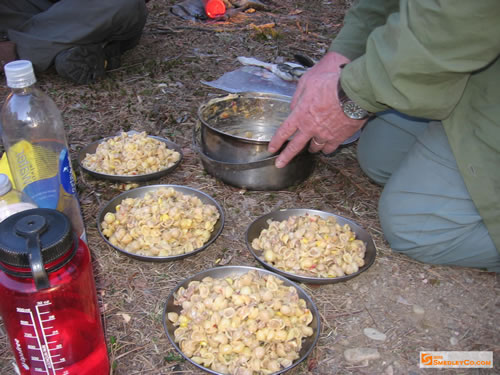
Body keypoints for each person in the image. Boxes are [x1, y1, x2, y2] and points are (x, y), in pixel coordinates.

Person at [269, 0, 500, 272]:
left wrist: (354, 95)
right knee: (380, 158)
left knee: (414, 227)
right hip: (464, 51)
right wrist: (345, 53)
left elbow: (462, 18)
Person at [0, 0, 148, 84]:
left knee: (125, 4)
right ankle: (83, 46)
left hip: (80, 10)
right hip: (17, 12)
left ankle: (22, 52)